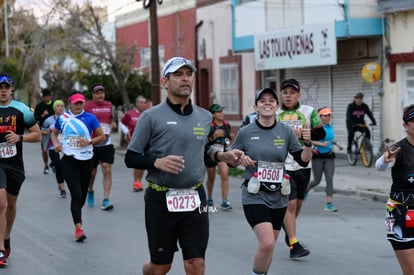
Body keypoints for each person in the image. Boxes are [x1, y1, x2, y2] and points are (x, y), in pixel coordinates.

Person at [124, 56, 243, 275]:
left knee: (196, 264)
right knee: (160, 267)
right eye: (178, 74)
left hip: (195, 198)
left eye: (189, 74)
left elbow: (204, 153)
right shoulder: (151, 117)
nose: (185, 79)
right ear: (165, 81)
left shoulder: (204, 117)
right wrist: (156, 162)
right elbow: (130, 157)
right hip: (160, 199)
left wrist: (221, 156)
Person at [231, 88, 312, 275]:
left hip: (278, 195)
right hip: (254, 195)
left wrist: (308, 144)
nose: (267, 103)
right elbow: (231, 158)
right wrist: (239, 158)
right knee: (266, 244)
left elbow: (302, 160)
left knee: (270, 247)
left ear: (277, 106)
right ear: (256, 107)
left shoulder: (286, 131)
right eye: (262, 101)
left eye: (271, 100)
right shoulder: (245, 132)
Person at [276, 78, 326, 258]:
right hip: (283, 164)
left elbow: (321, 132)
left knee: (298, 203)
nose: (288, 96)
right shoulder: (275, 112)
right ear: (281, 94)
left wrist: (306, 134)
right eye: (285, 92)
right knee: (289, 203)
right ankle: (294, 243)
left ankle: (290, 232)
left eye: (292, 93)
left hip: (304, 163)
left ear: (298, 95)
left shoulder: (309, 111)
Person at [51, 92, 105, 242]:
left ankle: (77, 216)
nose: (78, 105)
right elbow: (54, 134)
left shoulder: (90, 118)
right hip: (68, 159)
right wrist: (56, 144)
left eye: (81, 103)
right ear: (70, 104)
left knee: (82, 195)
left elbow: (102, 137)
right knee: (76, 195)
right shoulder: (63, 118)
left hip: (86, 158)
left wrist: (88, 142)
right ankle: (78, 228)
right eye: (76, 103)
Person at [0, 74, 41, 267]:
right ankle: (0, 249)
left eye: (6, 87)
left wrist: (19, 138)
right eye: (0, 87)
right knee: (1, 203)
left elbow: (37, 135)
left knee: (11, 203)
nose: (3, 90)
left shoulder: (22, 109)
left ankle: (6, 237)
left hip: (15, 164)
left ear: (12, 89)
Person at [375, 104, 414, 275]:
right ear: (405, 126)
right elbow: (380, 166)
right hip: (402, 213)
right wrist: (386, 160)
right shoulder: (398, 148)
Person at [84, 84, 117, 210]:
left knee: (107, 169)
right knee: (92, 172)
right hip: (91, 143)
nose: (100, 95)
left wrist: (113, 123)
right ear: (93, 95)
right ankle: (90, 190)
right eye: (97, 93)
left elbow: (112, 119)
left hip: (106, 143)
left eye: (102, 92)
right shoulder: (87, 106)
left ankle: (106, 199)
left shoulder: (109, 105)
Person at [307, 107, 343, 212]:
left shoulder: (330, 127)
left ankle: (329, 204)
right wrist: (321, 144)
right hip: (318, 157)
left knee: (329, 180)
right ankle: (304, 191)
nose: (327, 117)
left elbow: (330, 138)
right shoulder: (316, 129)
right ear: (320, 117)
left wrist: (337, 144)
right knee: (317, 180)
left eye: (329, 115)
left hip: (329, 157)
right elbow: (309, 140)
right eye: (325, 115)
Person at [205, 103, 234, 211]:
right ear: (213, 114)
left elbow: (227, 140)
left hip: (223, 153)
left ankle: (225, 201)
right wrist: (214, 136)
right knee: (211, 177)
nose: (222, 114)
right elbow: (205, 141)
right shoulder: (209, 126)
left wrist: (230, 138)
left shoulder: (226, 125)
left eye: (222, 111)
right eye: (219, 112)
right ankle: (209, 198)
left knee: (225, 175)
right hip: (211, 154)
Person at [120, 95, 147, 192]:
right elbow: (122, 123)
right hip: (133, 141)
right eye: (141, 103)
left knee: (142, 163)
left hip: (145, 141)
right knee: (138, 162)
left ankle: (139, 181)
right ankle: (136, 182)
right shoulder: (130, 114)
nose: (143, 105)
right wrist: (126, 131)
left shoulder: (147, 114)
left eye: (144, 103)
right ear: (136, 104)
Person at [41, 100, 67, 198]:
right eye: (58, 106)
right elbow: (41, 131)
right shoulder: (49, 120)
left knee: (65, 167)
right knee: (59, 167)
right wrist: (47, 131)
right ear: (54, 108)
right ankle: (62, 187)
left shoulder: (67, 119)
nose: (60, 107)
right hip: (53, 147)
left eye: (62, 106)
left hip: (66, 147)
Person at [34, 88, 54, 174]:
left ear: (50, 96)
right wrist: (42, 115)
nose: (46, 98)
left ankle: (53, 164)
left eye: (47, 96)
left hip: (54, 130)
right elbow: (35, 118)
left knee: (54, 149)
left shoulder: (54, 105)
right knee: (45, 150)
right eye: (44, 96)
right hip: (44, 130)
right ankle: (46, 166)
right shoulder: (40, 106)